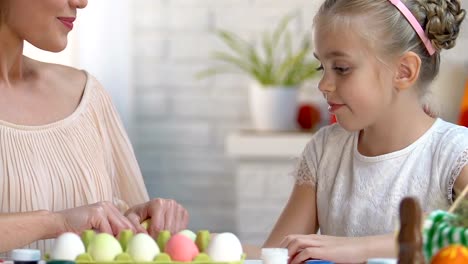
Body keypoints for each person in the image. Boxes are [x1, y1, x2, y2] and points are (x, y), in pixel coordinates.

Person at [261, 0, 467, 263]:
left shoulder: (454, 153)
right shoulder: (325, 151)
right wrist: (196, 244)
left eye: (341, 69)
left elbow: (461, 227)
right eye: (321, 67)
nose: (323, 84)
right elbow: (274, 255)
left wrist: (356, 249)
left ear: (404, 71)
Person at [0, 0, 188, 253]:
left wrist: (136, 221)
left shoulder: (86, 94)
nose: (81, 2)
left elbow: (132, 249)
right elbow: (67, 220)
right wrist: (55, 222)